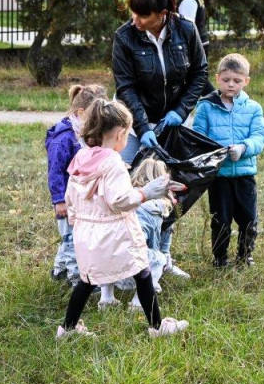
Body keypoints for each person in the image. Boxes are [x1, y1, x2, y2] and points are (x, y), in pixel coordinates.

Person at [57, 99, 189, 339]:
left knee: (87, 280)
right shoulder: (113, 163)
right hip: (116, 233)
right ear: (120, 134)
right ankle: (157, 327)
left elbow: (70, 196)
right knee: (142, 272)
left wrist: (77, 221)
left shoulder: (82, 157)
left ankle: (67, 329)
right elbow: (119, 200)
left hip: (87, 232)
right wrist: (146, 192)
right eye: (128, 134)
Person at [112, 0, 208, 279]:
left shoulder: (186, 30)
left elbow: (199, 73)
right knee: (127, 185)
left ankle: (162, 257)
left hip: (174, 121)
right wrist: (143, 128)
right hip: (135, 121)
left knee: (169, 187)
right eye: (133, 13)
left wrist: (181, 110)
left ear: (163, 14)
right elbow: (126, 87)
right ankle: (126, 261)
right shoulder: (124, 37)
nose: (136, 20)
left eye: (144, 15)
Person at [192, 53, 264, 268]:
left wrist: (244, 148)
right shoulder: (206, 107)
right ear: (217, 79)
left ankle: (245, 256)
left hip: (245, 174)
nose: (231, 85)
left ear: (246, 81)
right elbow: (199, 137)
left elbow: (259, 138)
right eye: (226, 80)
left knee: (248, 218)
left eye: (237, 80)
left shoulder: (253, 108)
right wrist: (217, 152)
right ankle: (220, 258)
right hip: (219, 176)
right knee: (221, 219)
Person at [46, 84, 107, 286]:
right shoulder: (63, 139)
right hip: (66, 200)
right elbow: (55, 172)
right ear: (81, 112)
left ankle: (59, 269)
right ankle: (75, 278)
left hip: (81, 198)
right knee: (72, 239)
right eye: (96, 116)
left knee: (71, 236)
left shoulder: (84, 133)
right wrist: (59, 200)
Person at [97, 157, 173, 310]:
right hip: (131, 263)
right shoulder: (157, 208)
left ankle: (106, 298)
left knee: (109, 249)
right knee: (158, 259)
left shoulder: (125, 198)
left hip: (104, 259)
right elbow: (152, 243)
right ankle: (138, 303)